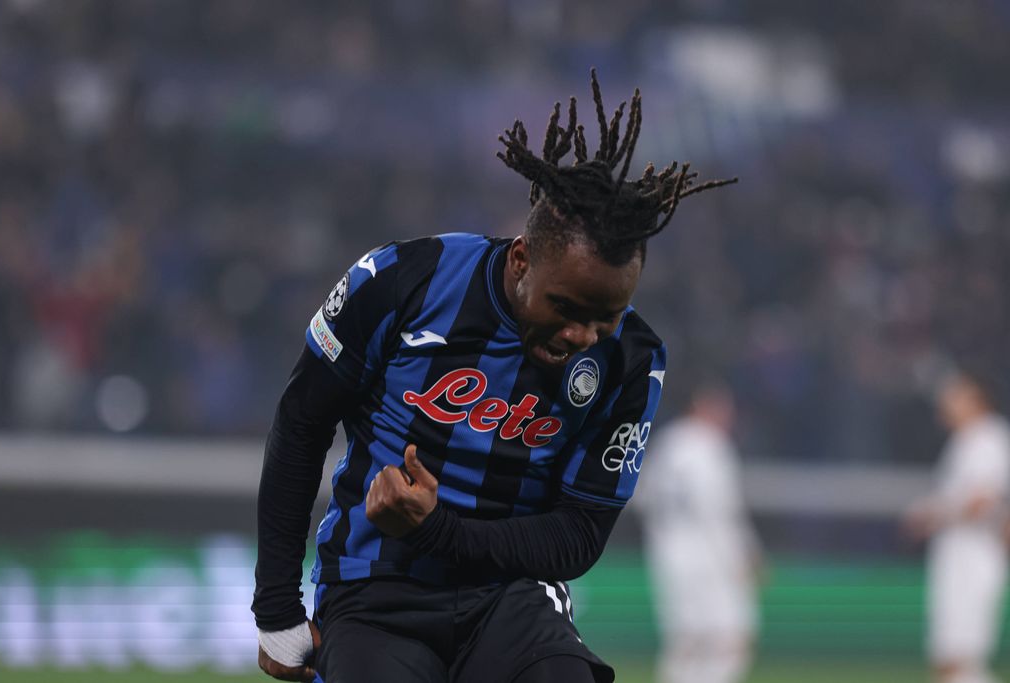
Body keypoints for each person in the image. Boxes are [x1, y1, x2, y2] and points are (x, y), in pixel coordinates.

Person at [251, 70, 737, 683]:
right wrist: (276, 608)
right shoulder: (402, 280)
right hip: (372, 593)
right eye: (566, 309)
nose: (581, 336)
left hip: (512, 599)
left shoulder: (634, 360)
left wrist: (438, 530)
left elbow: (580, 535)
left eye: (604, 317)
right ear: (521, 258)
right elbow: (301, 423)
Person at [636, 382, 761, 683]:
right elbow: (716, 511)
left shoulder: (668, 442)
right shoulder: (710, 445)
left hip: (668, 554)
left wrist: (661, 536)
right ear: (703, 406)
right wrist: (742, 556)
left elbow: (641, 497)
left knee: (685, 641)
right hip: (710, 556)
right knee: (731, 637)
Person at [904, 372, 1010, 683]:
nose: (946, 401)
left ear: (976, 397)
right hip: (956, 555)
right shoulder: (963, 441)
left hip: (974, 556)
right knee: (950, 661)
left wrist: (932, 514)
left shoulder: (989, 438)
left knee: (959, 661)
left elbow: (980, 502)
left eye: (955, 393)